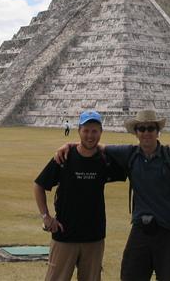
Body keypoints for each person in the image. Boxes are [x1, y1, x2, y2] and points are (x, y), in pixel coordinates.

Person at [59, 110, 170, 280]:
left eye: (150, 128)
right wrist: (70, 146)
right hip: (141, 229)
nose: (146, 133)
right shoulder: (130, 153)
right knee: (130, 275)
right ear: (136, 132)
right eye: (142, 129)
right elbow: (94, 145)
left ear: (157, 131)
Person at [35, 110, 126, 281]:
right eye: (86, 130)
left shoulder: (105, 160)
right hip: (64, 234)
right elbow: (39, 185)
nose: (90, 135)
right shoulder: (64, 157)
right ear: (79, 131)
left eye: (94, 131)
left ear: (101, 132)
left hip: (94, 236)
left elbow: (132, 157)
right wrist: (46, 217)